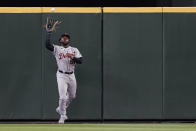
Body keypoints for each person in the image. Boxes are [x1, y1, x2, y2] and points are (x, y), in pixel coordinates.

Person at [45, 18, 83, 124]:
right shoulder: (57, 49)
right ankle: (62, 115)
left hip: (71, 75)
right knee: (62, 97)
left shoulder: (74, 50)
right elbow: (47, 45)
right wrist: (49, 32)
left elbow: (80, 60)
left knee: (72, 96)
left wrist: (73, 58)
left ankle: (60, 109)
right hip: (61, 75)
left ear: (69, 40)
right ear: (60, 40)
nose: (65, 38)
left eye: (66, 37)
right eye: (63, 37)